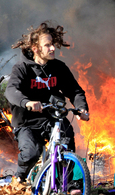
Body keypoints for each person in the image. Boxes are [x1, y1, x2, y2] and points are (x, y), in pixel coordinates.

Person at [5, 21, 89, 185]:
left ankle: (63, 183)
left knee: (66, 139)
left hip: (52, 117)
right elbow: (11, 90)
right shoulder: (22, 68)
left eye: (53, 45)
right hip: (26, 121)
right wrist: (27, 102)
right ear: (35, 49)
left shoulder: (59, 68)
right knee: (31, 153)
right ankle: (19, 180)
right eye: (47, 45)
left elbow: (75, 91)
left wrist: (82, 108)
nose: (52, 49)